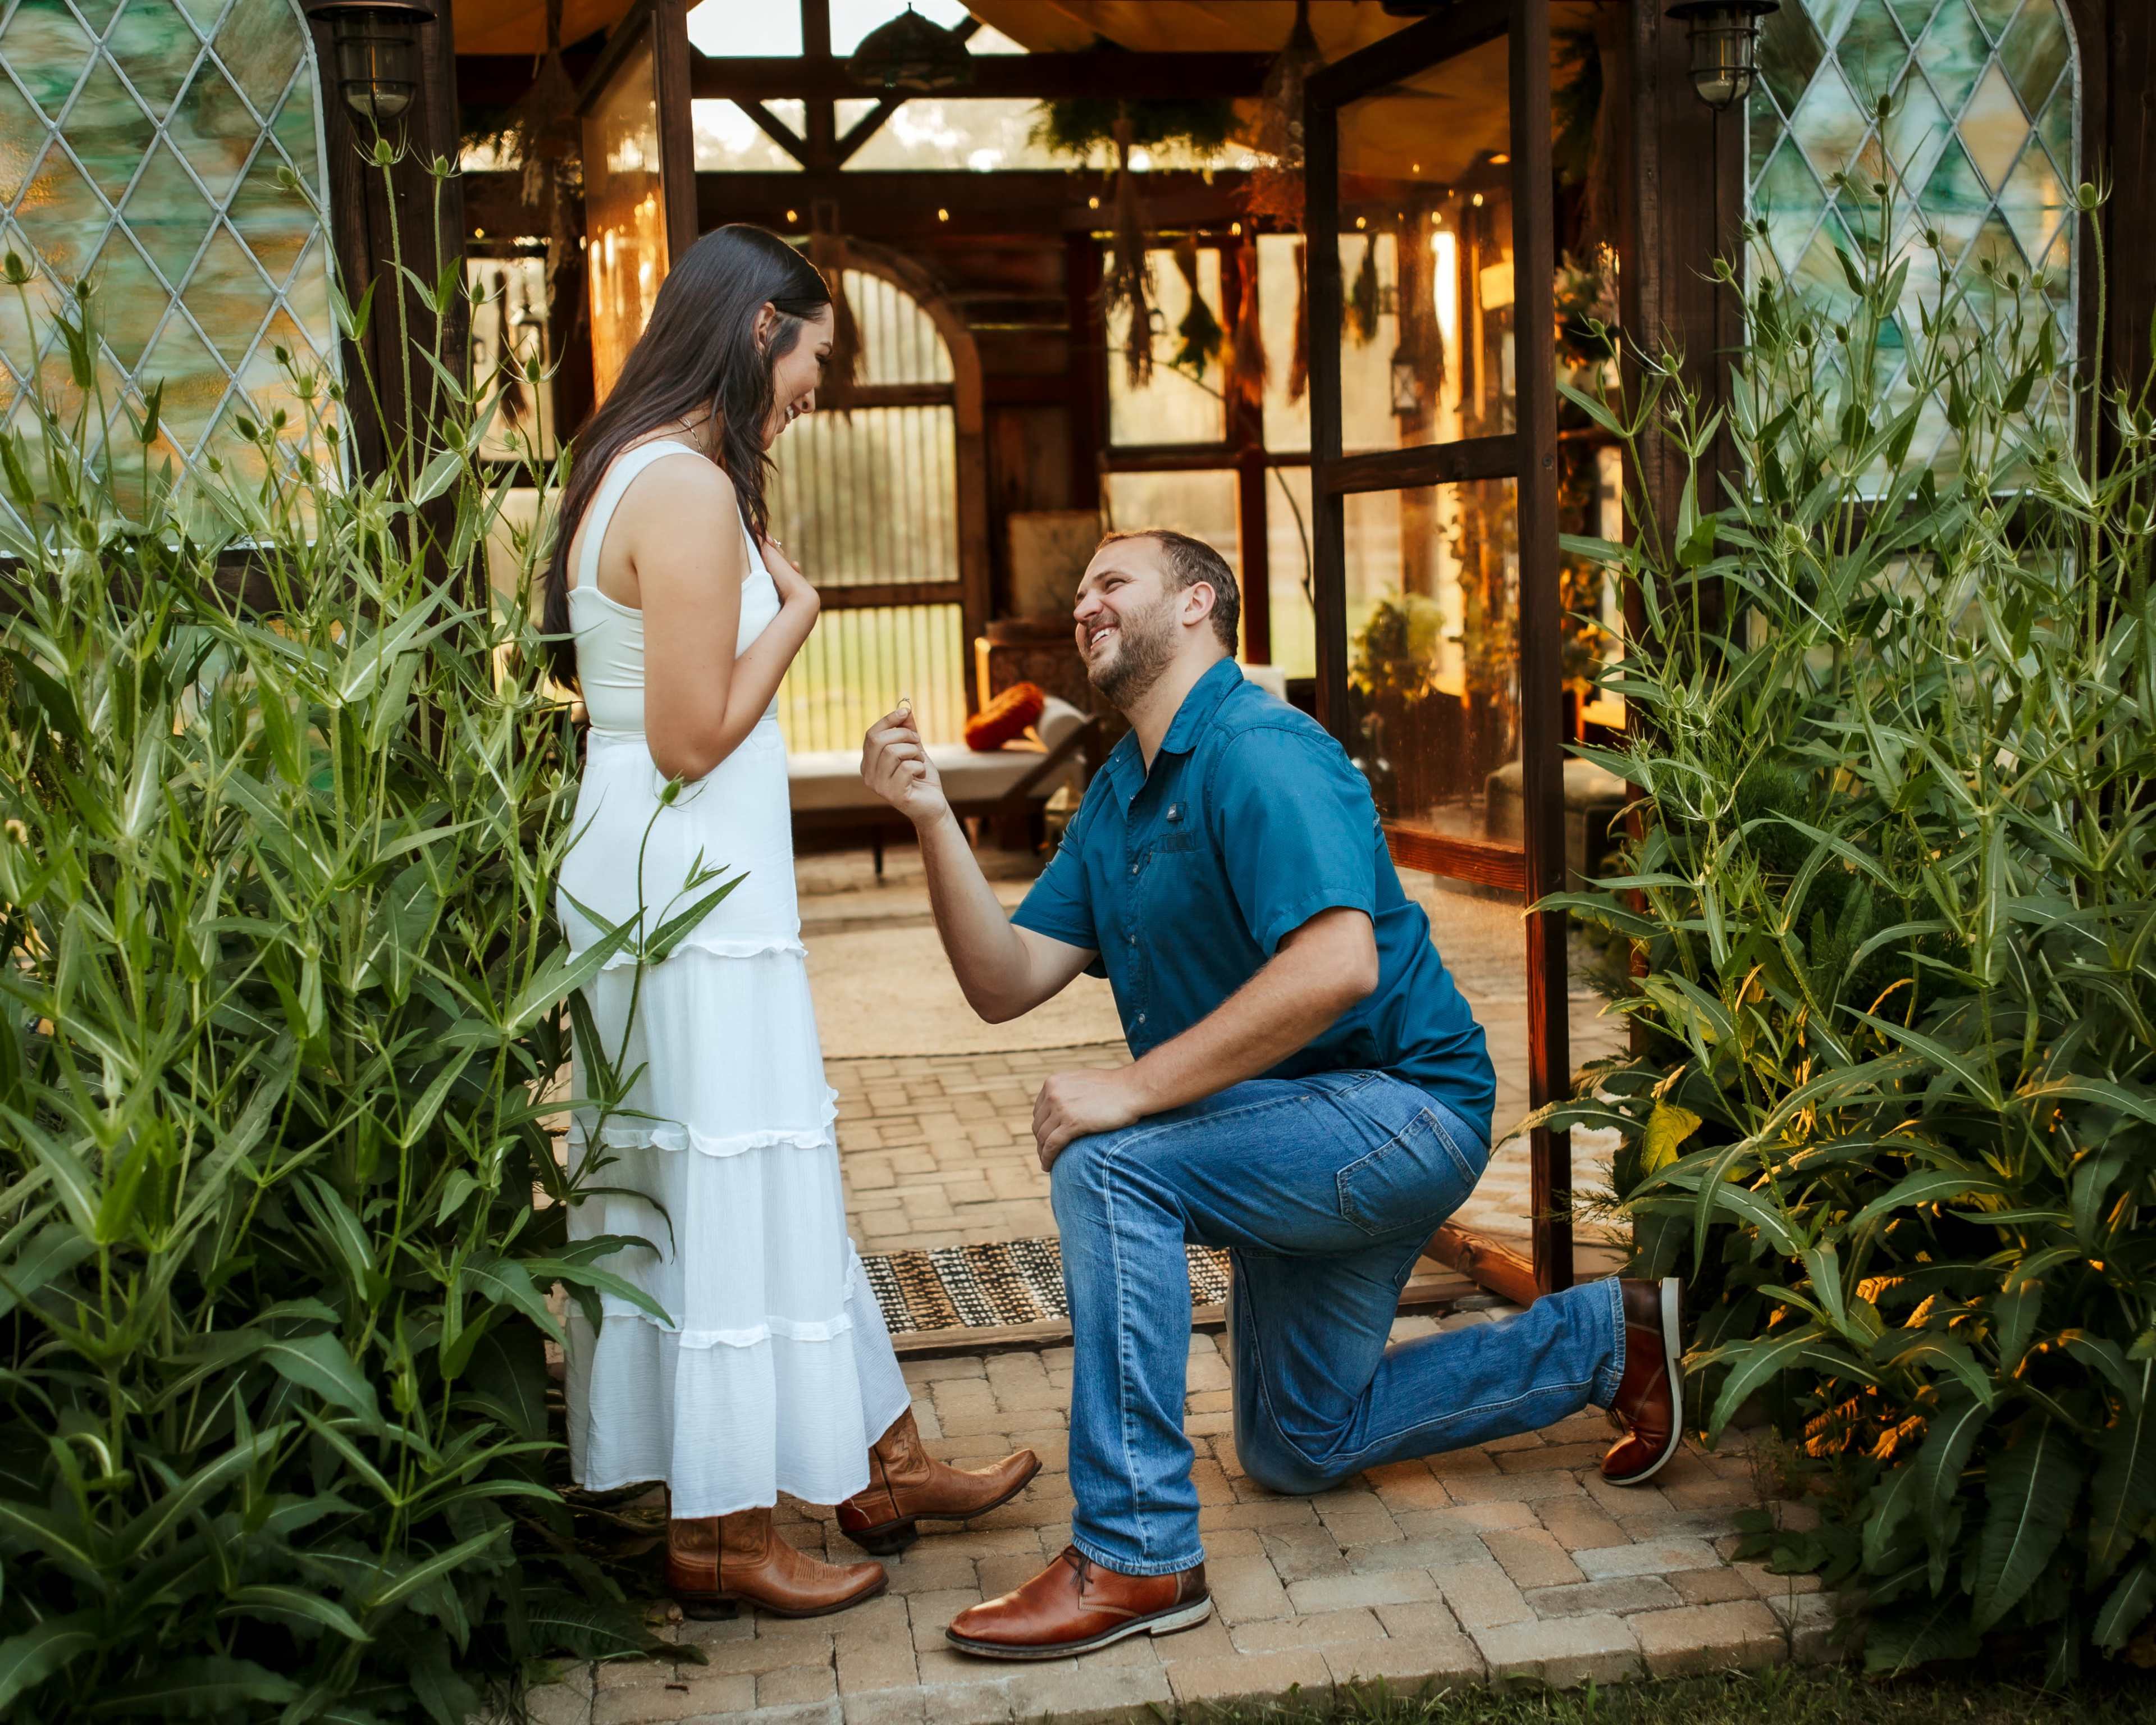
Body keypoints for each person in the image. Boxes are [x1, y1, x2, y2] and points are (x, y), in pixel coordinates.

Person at [857, 527, 1684, 1660]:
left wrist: (1135, 1090)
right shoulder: (1117, 800)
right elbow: (1003, 983)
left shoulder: (1259, 750)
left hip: (1399, 1111)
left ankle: (1137, 1552)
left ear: (1197, 604)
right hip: (1296, 1134)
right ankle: (1609, 1339)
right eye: (1080, 590)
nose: (1083, 605)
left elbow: (1338, 963)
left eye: (1112, 582)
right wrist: (930, 817)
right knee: (1300, 1442)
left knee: (1108, 1167)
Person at [545, 223, 1036, 1622]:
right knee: (720, 1187)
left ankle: (876, 1460)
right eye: (820, 355)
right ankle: (716, 1536)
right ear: (763, 329)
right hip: (685, 877)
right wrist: (804, 608)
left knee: (767, 1172)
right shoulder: (686, 487)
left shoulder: (640, 468)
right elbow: (697, 734)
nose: (822, 389)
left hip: (678, 875)